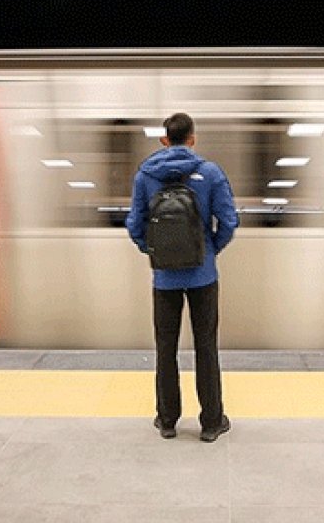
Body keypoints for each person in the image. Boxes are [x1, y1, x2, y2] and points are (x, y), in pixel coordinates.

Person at [126, 113, 238, 442]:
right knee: (206, 347)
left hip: (164, 279)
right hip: (203, 276)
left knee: (165, 348)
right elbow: (229, 222)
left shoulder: (146, 175)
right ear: (192, 138)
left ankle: (168, 420)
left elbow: (134, 225)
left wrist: (156, 252)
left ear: (165, 139)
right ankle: (211, 422)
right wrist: (208, 251)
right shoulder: (211, 172)